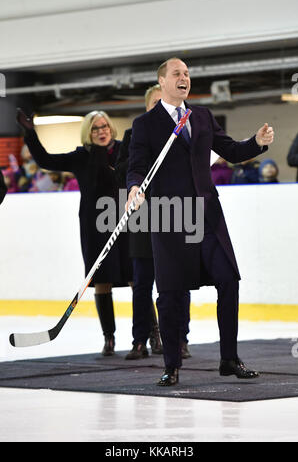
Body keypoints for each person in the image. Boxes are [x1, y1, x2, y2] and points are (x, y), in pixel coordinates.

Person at [126, 57, 274, 386]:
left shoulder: (202, 116)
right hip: (170, 216)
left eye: (188, 74)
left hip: (207, 215)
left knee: (228, 280)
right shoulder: (145, 125)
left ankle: (229, 359)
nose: (184, 78)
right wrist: (134, 187)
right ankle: (172, 365)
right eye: (177, 73)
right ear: (162, 82)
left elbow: (231, 151)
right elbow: (136, 165)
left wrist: (257, 143)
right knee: (171, 293)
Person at [16, 108, 132, 356]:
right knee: (101, 280)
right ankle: (109, 338)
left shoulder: (125, 150)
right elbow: (46, 160)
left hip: (126, 222)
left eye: (104, 126)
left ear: (111, 128)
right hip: (94, 224)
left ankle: (147, 335)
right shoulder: (81, 157)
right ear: (87, 132)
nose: (101, 131)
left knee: (137, 278)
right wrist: (30, 134)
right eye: (95, 128)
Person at [116, 84, 191, 360]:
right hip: (144, 218)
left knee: (179, 281)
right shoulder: (134, 133)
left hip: (175, 214)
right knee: (142, 282)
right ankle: (140, 340)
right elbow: (124, 171)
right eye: (156, 104)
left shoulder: (183, 131)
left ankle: (180, 339)